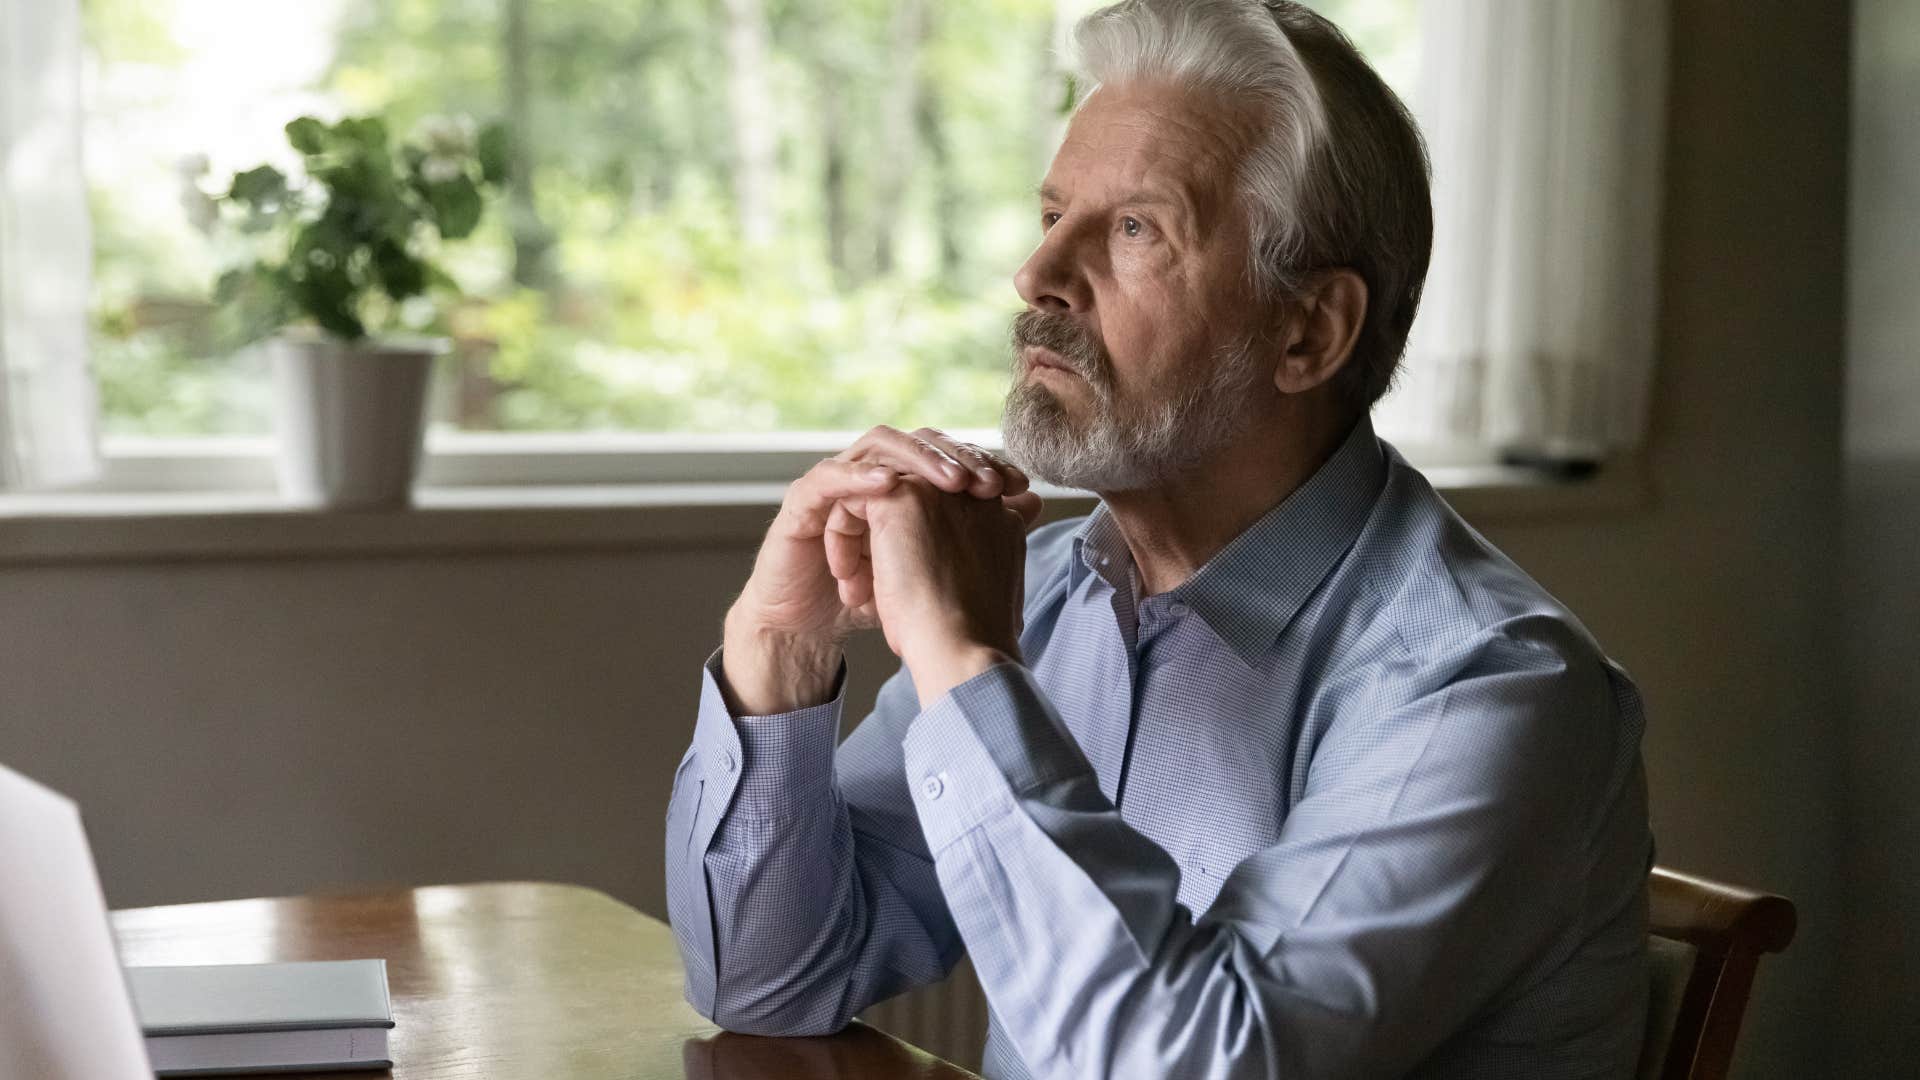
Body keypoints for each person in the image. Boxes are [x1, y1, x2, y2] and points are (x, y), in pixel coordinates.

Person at [664, 1, 1652, 1076]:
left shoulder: (1487, 687)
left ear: (1308, 331)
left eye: (1136, 228)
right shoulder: (1049, 596)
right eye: (1053, 213)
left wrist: (962, 665)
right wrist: (782, 650)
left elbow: (1194, 1063)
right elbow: (771, 980)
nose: (1038, 273)